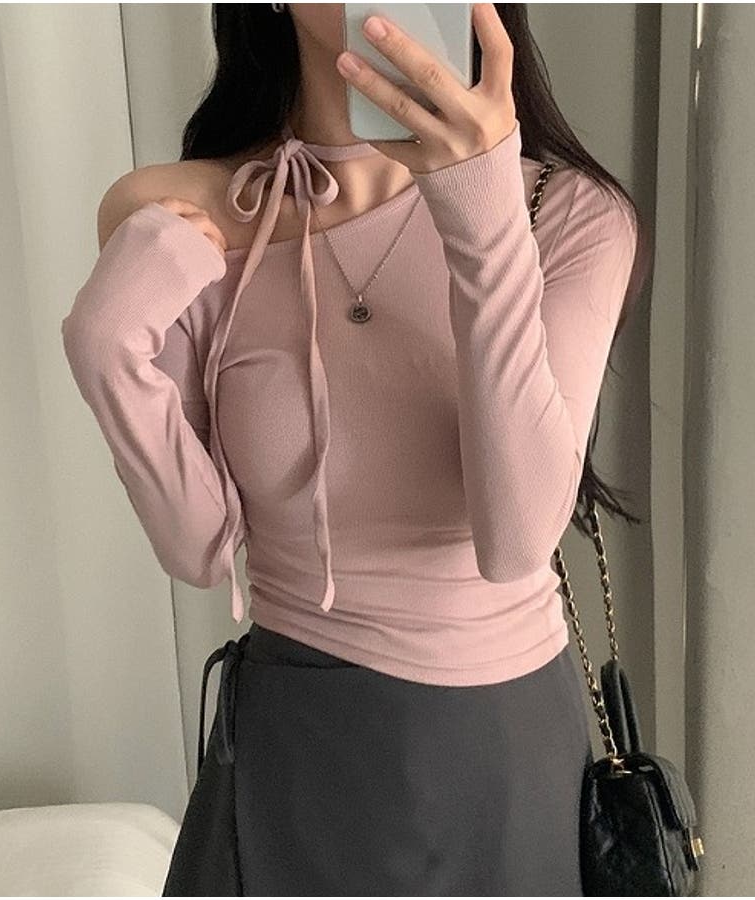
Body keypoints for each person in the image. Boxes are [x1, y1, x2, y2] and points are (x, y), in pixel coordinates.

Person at [61, 3, 650, 895]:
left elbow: (519, 539)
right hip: (297, 741)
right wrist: (106, 349)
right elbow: (197, 547)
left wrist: (482, 210)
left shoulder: (565, 213)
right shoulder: (179, 212)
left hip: (502, 753)